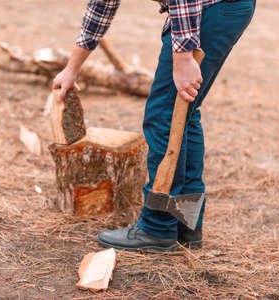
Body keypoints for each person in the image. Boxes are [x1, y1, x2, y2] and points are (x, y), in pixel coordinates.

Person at [53, 0, 256, 252]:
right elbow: (102, 5)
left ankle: (157, 227)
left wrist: (182, 56)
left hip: (208, 9)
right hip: (218, 8)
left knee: (163, 116)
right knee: (184, 114)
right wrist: (72, 68)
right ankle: (185, 223)